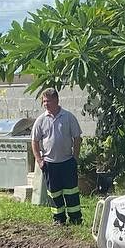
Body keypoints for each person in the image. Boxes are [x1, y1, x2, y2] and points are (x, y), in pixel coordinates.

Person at [31, 87, 83, 226]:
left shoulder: (68, 117)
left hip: (67, 162)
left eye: (48, 101)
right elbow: (35, 142)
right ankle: (58, 219)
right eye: (44, 101)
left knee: (71, 192)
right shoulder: (41, 120)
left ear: (56, 100)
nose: (46, 104)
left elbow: (77, 138)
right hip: (49, 164)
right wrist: (39, 160)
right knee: (54, 194)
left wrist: (75, 157)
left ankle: (75, 219)